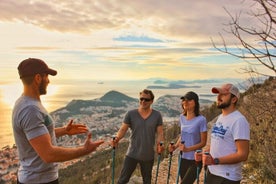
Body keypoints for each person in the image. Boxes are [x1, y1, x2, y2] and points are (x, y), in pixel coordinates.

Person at [12, 58, 104, 184]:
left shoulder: (25, 102)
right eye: (47, 77)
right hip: (39, 181)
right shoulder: (30, 109)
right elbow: (48, 154)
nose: (48, 81)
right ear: (38, 78)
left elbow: (38, 135)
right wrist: (84, 150)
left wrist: (64, 131)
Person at [195, 83, 250, 184]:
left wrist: (215, 161)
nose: (219, 97)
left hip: (227, 177)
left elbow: (243, 154)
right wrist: (204, 153)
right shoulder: (221, 117)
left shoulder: (239, 121)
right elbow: (219, 142)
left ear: (234, 99)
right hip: (213, 172)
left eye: (223, 94)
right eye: (218, 94)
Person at [110, 89, 164, 184]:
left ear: (151, 101)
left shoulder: (157, 115)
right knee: (122, 180)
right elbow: (123, 129)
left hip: (148, 154)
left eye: (146, 99)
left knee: (147, 181)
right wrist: (117, 138)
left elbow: (160, 133)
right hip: (132, 153)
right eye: (141, 99)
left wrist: (160, 144)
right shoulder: (130, 114)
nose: (143, 101)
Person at [169, 91, 207, 184]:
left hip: (195, 159)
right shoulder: (182, 117)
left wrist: (188, 149)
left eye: (189, 100)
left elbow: (203, 142)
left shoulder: (201, 120)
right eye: (184, 100)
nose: (185, 102)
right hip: (183, 158)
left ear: (195, 103)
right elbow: (182, 135)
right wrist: (175, 147)